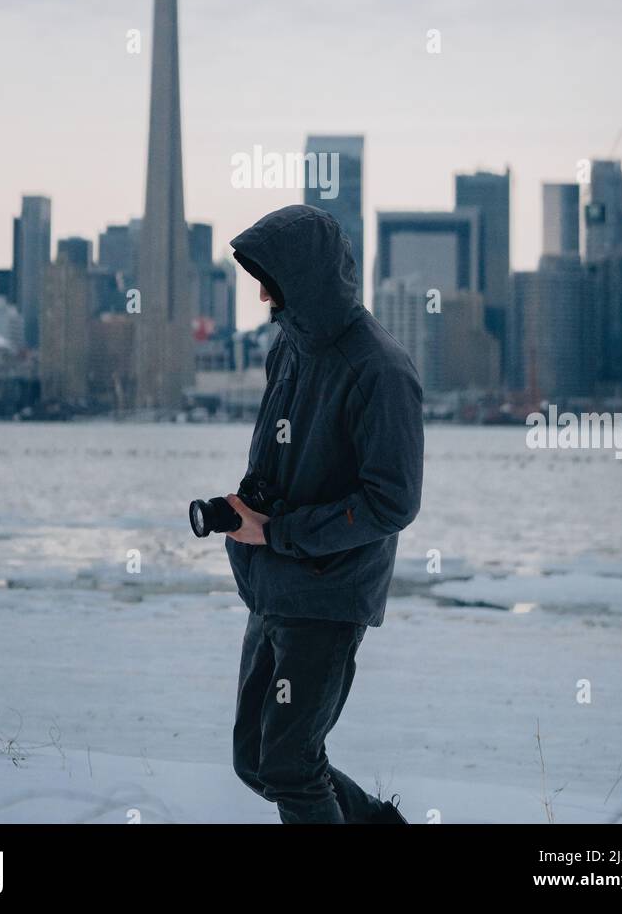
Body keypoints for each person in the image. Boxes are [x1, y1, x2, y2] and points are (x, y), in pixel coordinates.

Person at [224, 203, 424, 824]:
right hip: (273, 581)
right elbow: (273, 462)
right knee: (258, 758)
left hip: (329, 592)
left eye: (272, 279)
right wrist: (244, 511)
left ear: (305, 278)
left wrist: (282, 531)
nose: (261, 294)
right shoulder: (287, 352)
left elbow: (393, 501)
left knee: (290, 760)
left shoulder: (381, 370)